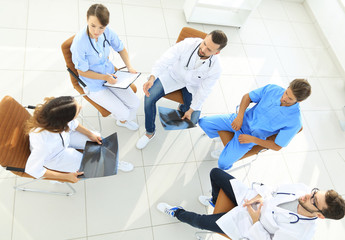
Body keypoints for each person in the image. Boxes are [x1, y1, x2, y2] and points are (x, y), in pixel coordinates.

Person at [157, 168, 345, 240]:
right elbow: (274, 189)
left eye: (313, 200)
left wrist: (255, 221)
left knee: (199, 221)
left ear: (320, 215)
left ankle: (177, 213)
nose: (305, 195)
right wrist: (261, 196)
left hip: (248, 225)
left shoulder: (301, 234)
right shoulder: (304, 190)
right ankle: (215, 201)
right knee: (215, 173)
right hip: (252, 199)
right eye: (314, 192)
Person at [136, 30, 228, 149]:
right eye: (204, 43)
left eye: (209, 50)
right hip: (173, 77)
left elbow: (204, 90)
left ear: (217, 52)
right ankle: (150, 132)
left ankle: (183, 107)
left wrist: (191, 109)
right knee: (149, 97)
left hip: (192, 86)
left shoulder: (216, 68)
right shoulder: (188, 44)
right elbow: (165, 59)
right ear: (205, 38)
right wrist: (152, 77)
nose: (203, 49)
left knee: (193, 119)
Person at [199, 79, 312, 170]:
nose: (284, 98)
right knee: (203, 122)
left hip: (250, 137)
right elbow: (247, 97)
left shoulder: (295, 121)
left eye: (290, 98)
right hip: (240, 120)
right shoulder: (273, 89)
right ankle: (225, 140)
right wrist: (239, 117)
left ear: (299, 101)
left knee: (223, 164)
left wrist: (253, 140)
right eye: (286, 92)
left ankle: (229, 151)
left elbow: (277, 146)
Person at [25, 96, 133, 183]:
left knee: (99, 139)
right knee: (87, 168)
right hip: (55, 155)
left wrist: (90, 134)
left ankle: (113, 162)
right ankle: (59, 179)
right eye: (77, 111)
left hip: (66, 137)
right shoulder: (43, 144)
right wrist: (66, 177)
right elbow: (32, 170)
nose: (81, 106)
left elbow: (73, 124)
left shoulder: (55, 113)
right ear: (64, 120)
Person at [71, 4, 140, 131]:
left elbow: (121, 49)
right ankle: (122, 120)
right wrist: (104, 77)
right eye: (93, 26)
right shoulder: (79, 43)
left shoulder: (108, 32)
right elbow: (82, 71)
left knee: (135, 103)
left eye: (101, 28)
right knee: (124, 113)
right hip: (93, 84)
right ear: (87, 19)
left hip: (110, 74)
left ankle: (123, 118)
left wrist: (129, 67)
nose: (96, 31)